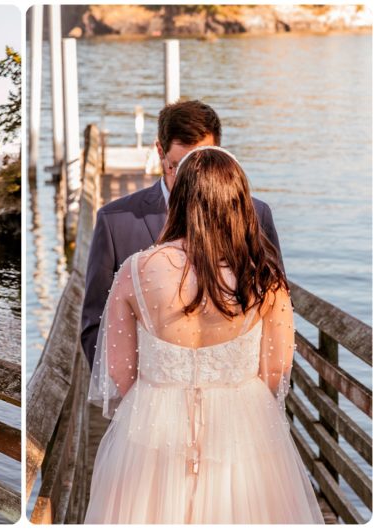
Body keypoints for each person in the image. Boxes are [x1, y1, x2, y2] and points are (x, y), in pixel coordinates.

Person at [83, 146, 322, 524]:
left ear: (179, 199)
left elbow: (119, 371)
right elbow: (276, 373)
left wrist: (160, 404)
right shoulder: (265, 279)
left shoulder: (135, 271)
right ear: (240, 202)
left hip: (153, 428)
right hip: (243, 427)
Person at [80, 100, 282, 369]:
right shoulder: (115, 222)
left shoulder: (256, 215)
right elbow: (95, 324)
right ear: (160, 152)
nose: (192, 180)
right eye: (179, 166)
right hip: (152, 398)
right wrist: (131, 401)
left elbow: (274, 314)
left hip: (231, 395)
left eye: (199, 164)